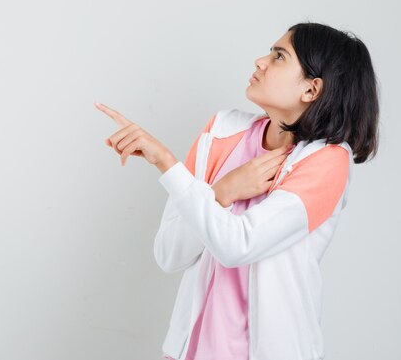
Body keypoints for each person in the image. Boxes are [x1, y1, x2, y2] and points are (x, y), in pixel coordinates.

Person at [95, 21, 379, 360]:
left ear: (311, 90)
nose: (260, 61)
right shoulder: (221, 131)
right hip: (191, 351)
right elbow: (170, 254)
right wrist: (221, 192)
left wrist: (166, 163)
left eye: (278, 57)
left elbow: (238, 245)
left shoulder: (328, 161)